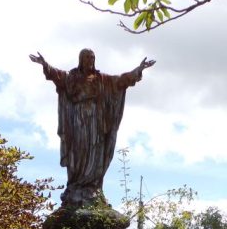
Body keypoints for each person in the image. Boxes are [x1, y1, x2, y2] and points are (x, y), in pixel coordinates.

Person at [30, 49, 155, 206]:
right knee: (79, 149)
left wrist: (139, 69)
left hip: (96, 120)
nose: (91, 60)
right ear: (81, 59)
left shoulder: (101, 79)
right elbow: (57, 75)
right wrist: (45, 64)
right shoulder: (72, 76)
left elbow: (121, 81)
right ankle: (77, 184)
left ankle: (92, 186)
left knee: (95, 150)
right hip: (79, 119)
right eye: (88, 57)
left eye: (93, 57)